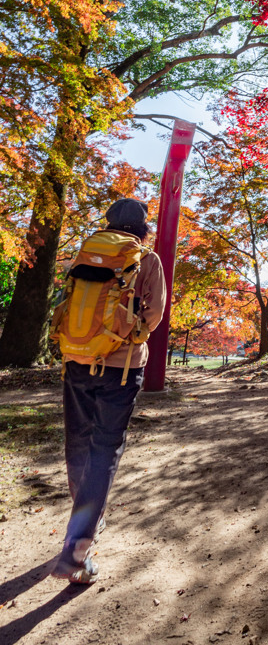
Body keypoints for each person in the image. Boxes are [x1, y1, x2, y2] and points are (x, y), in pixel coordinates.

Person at [51, 198, 166, 585]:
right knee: (105, 449)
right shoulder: (146, 258)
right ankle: (78, 548)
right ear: (142, 226)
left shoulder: (86, 251)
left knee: (78, 443)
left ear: (109, 222)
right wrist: (127, 337)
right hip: (121, 368)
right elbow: (154, 314)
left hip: (76, 361)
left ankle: (84, 517)